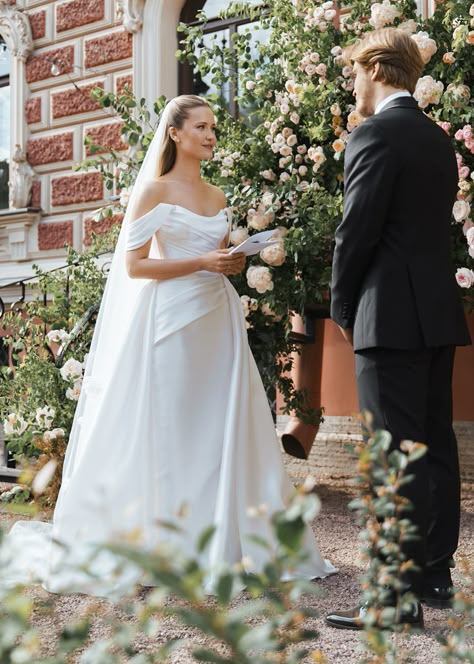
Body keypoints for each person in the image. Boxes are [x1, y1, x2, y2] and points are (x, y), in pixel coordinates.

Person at [2, 95, 336, 597]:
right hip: (171, 321)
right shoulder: (152, 191)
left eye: (213, 128)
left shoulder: (218, 194)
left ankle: (223, 542)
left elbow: (215, 254)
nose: (209, 135)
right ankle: (172, 546)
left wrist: (229, 261)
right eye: (200, 127)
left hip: (217, 318)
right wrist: (201, 263)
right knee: (177, 426)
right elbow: (135, 266)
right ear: (175, 133)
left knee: (220, 426)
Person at [326, 28, 471, 630]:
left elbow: (356, 231)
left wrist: (341, 306)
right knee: (435, 446)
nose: (352, 84)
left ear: (377, 69)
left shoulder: (375, 134)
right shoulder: (440, 141)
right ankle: (433, 574)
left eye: (355, 72)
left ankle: (391, 599)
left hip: (387, 317)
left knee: (392, 456)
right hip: (437, 312)